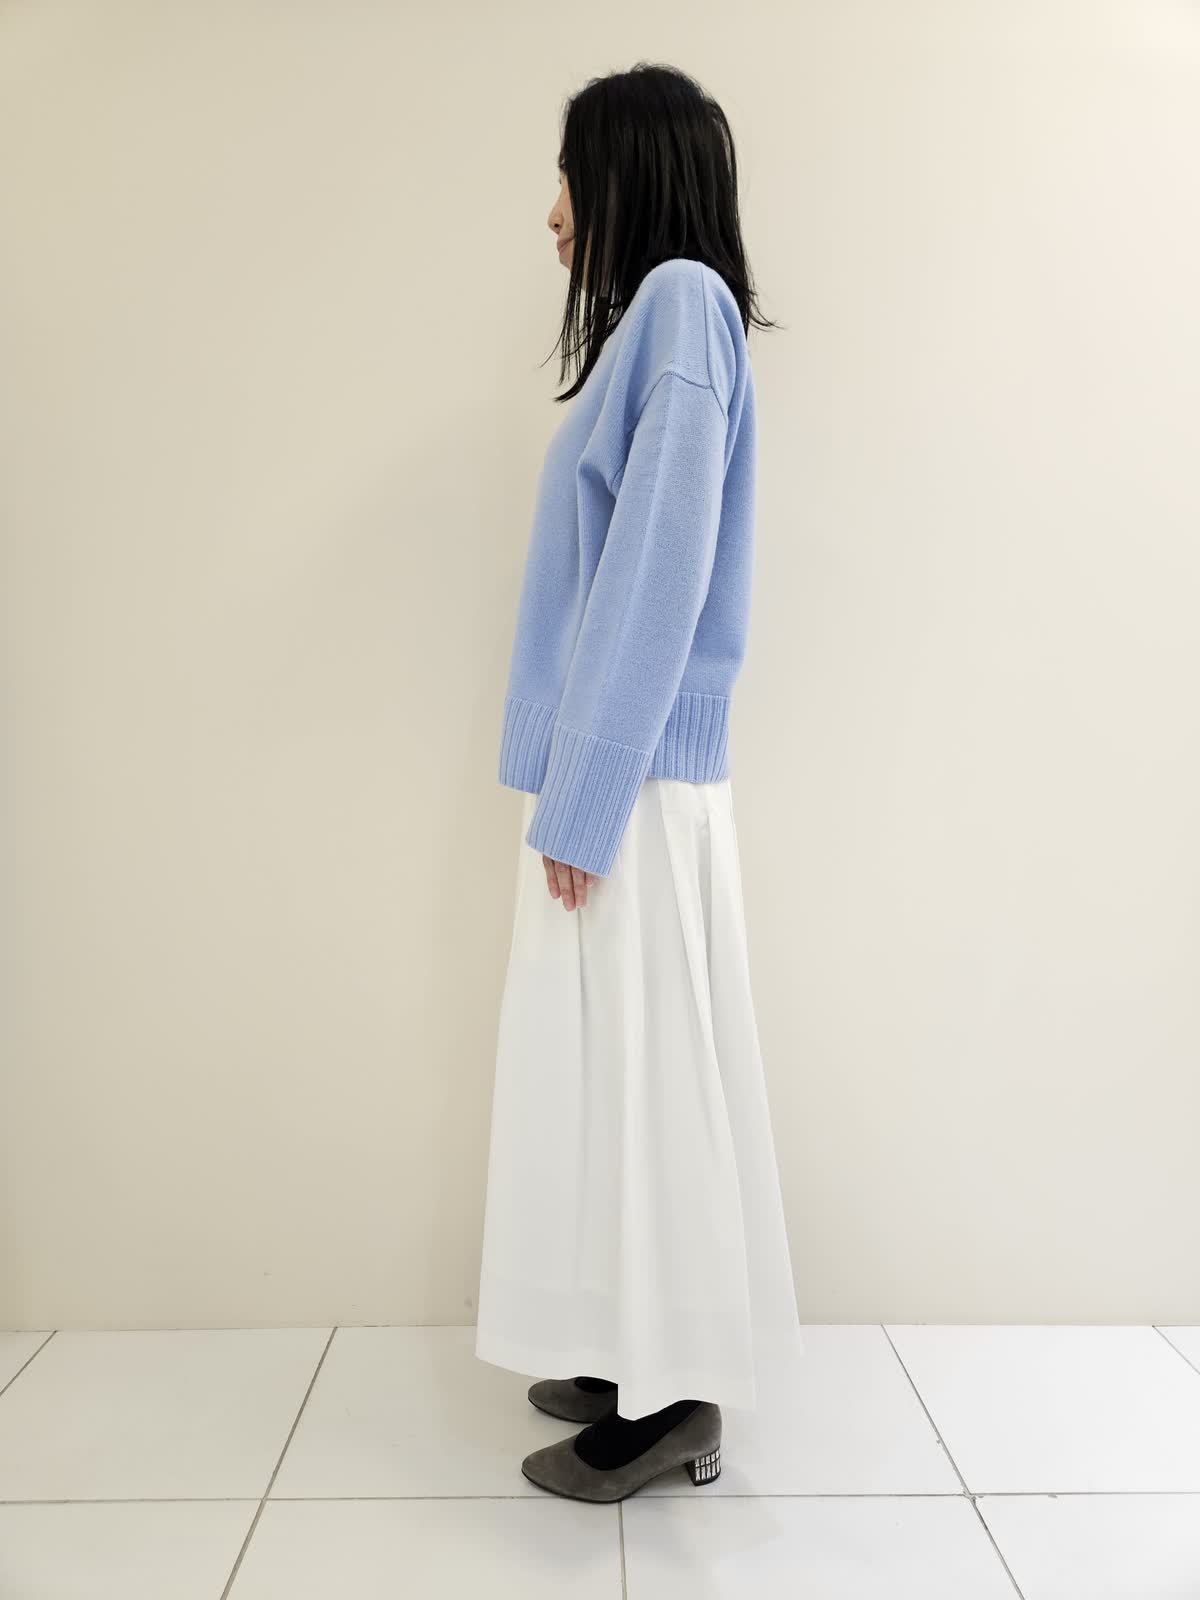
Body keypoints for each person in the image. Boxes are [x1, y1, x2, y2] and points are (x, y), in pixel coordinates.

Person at [474, 62, 805, 1504]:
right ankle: (637, 1348)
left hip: (639, 788)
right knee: (618, 1070)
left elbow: (660, 572)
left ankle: (677, 1399)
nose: (553, 213)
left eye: (569, 176)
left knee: (650, 1076)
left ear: (628, 173)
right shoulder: (664, 321)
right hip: (625, 779)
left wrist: (590, 790)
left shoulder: (679, 303)